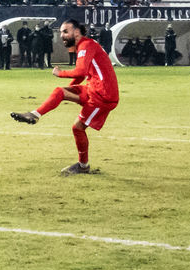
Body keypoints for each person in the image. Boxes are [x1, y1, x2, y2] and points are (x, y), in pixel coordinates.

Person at [10, 19, 119, 175]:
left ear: (76, 32)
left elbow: (81, 71)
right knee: (60, 92)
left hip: (103, 96)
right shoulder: (86, 45)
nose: (61, 35)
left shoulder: (85, 46)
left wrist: (60, 73)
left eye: (65, 32)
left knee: (78, 128)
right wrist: (69, 90)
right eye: (61, 32)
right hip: (94, 88)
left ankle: (83, 166)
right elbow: (81, 75)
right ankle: (34, 115)